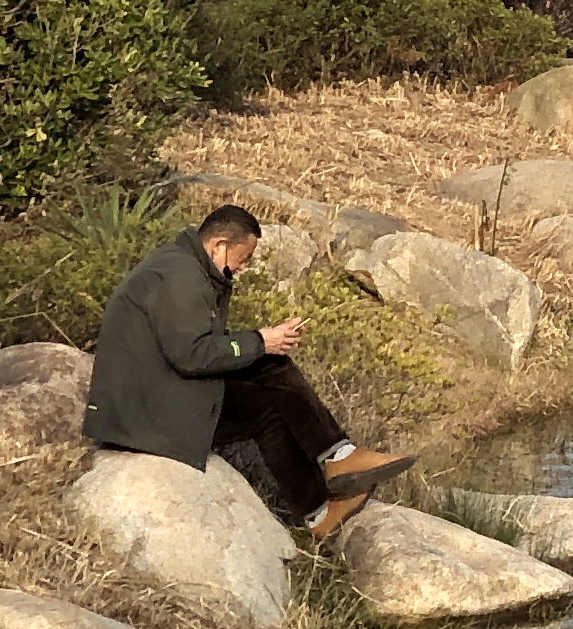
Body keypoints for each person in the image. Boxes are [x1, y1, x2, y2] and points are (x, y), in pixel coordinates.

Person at [83, 207, 410, 541]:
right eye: (244, 257)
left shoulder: (182, 266)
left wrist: (263, 341)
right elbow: (191, 354)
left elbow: (193, 346)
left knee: (270, 370)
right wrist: (258, 341)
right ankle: (334, 471)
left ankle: (329, 487)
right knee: (267, 397)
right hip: (147, 420)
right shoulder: (181, 276)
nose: (243, 267)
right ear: (219, 245)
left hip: (152, 402)